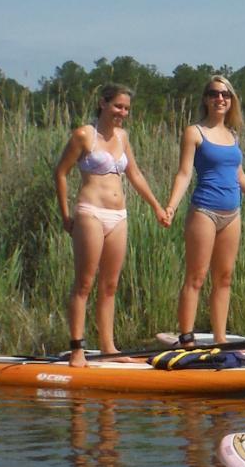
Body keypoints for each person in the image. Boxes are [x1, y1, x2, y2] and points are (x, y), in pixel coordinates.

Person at [52, 84, 171, 367]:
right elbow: (61, 173)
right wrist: (65, 215)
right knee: (84, 283)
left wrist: (156, 206)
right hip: (90, 212)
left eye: (127, 108)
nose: (123, 112)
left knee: (110, 285)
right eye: (118, 106)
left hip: (119, 216)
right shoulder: (84, 135)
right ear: (103, 103)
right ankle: (77, 347)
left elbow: (135, 173)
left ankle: (109, 347)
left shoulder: (123, 137)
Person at [163, 75, 245, 345]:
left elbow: (239, 175)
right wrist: (170, 206)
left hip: (233, 213)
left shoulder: (232, 136)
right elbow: (183, 174)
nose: (220, 99)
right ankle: (187, 338)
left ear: (231, 101)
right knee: (196, 276)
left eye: (225, 95)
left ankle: (220, 338)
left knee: (224, 278)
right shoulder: (194, 132)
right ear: (206, 98)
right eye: (215, 94)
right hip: (204, 210)